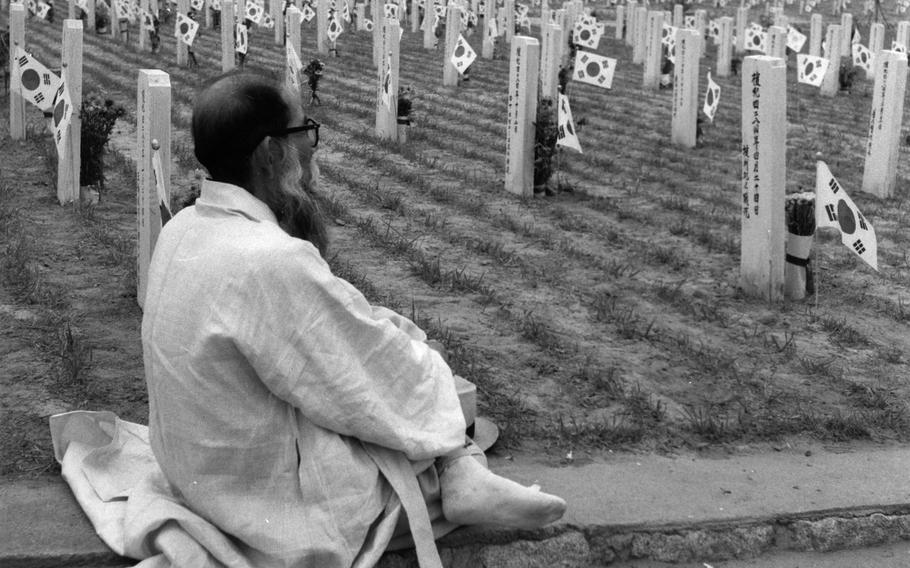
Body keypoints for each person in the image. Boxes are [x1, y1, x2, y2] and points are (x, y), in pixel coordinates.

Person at [141, 70, 566, 568]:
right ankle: (459, 469)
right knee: (413, 381)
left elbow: (325, 329)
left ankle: (460, 467)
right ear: (273, 153)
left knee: (387, 344)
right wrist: (427, 360)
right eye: (305, 132)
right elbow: (359, 378)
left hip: (196, 469)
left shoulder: (184, 227)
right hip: (256, 496)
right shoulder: (268, 261)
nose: (314, 149)